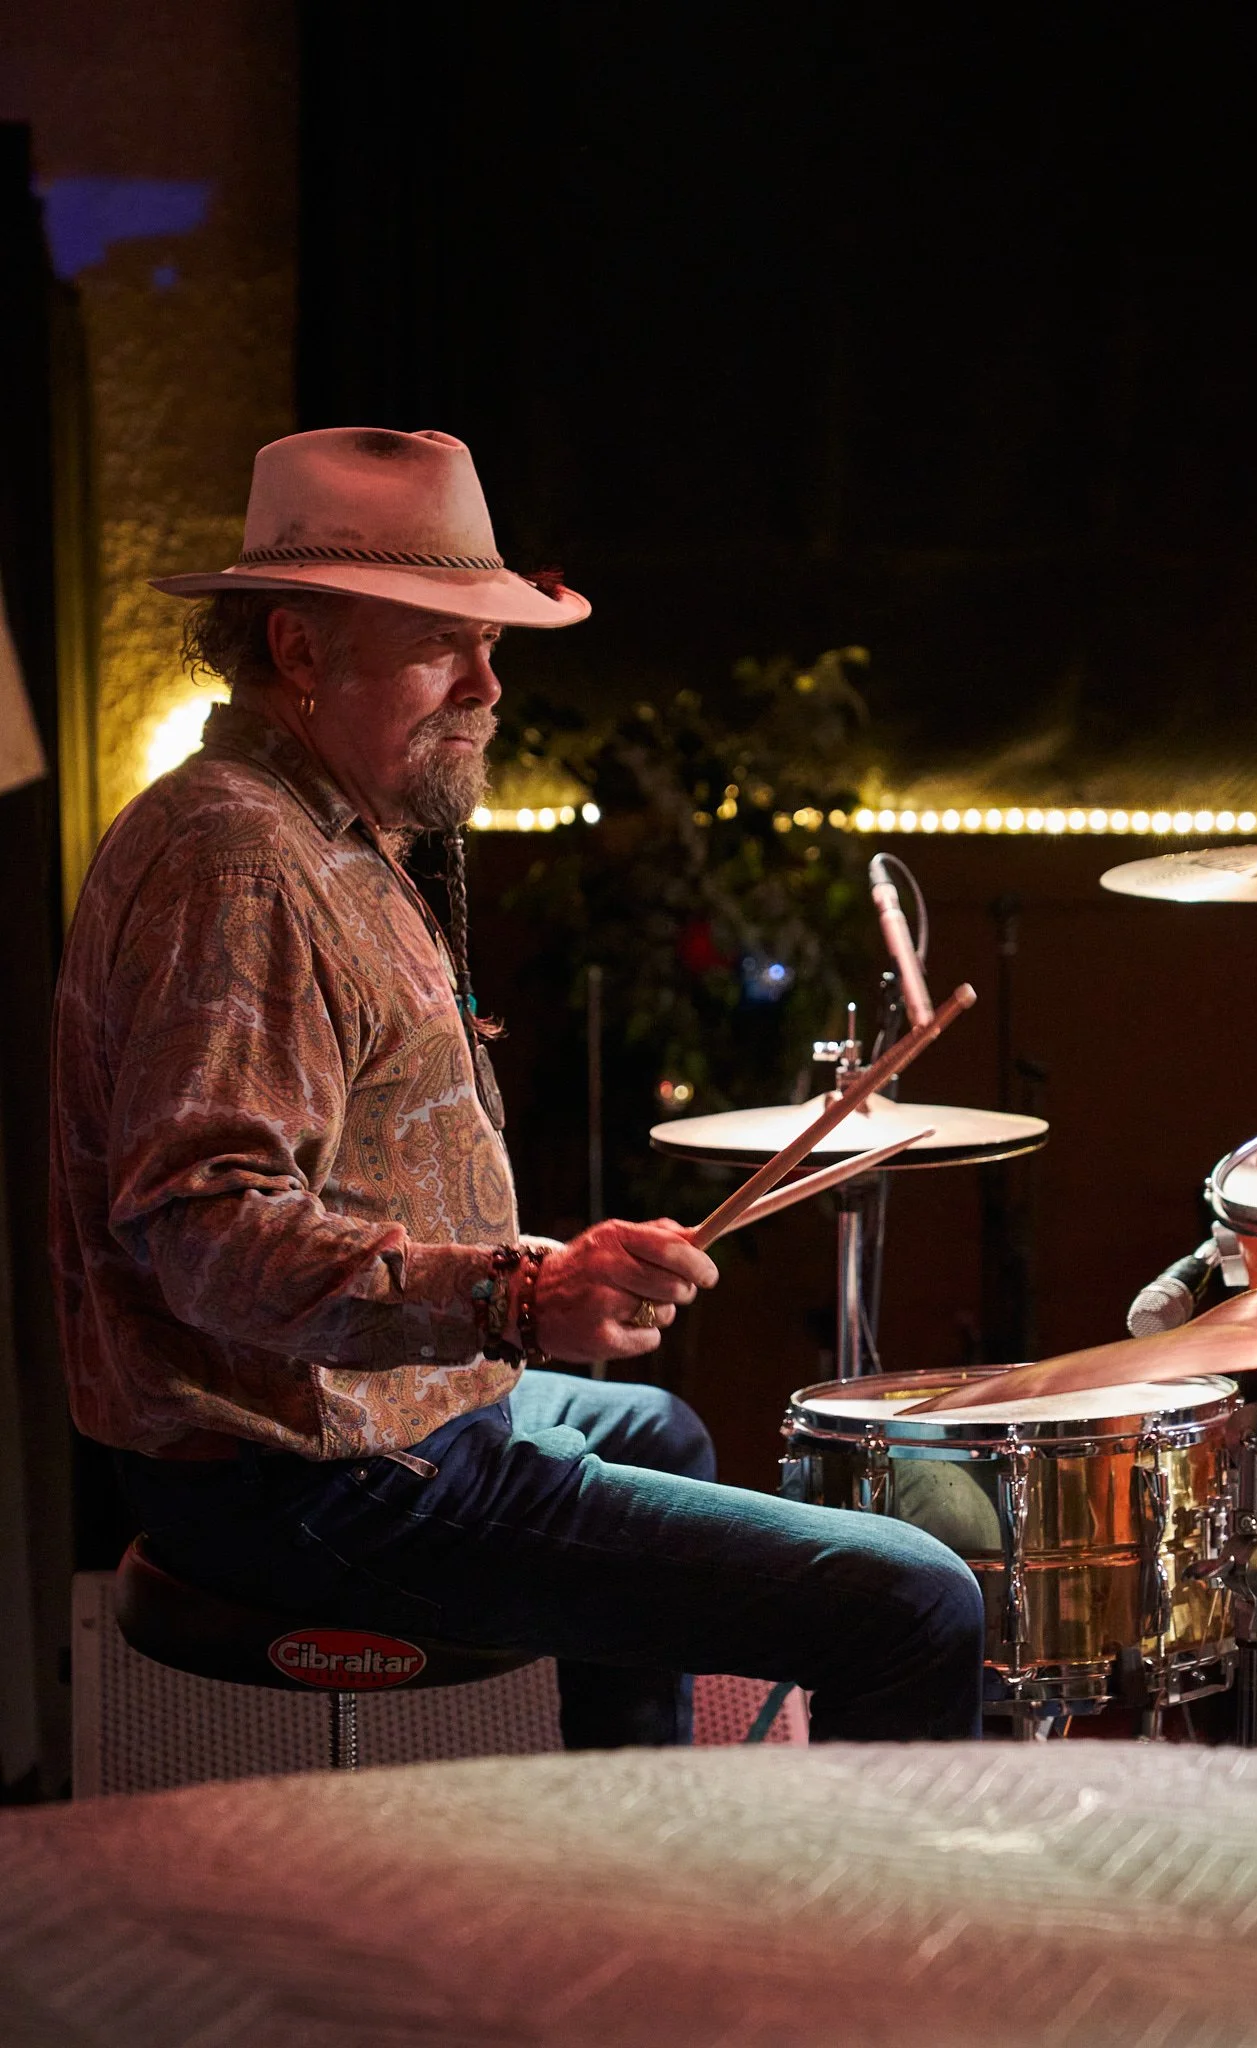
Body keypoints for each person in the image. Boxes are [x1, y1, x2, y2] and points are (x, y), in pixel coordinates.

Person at [50, 426, 983, 1747]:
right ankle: (871, 1957)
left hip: (342, 1416)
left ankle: (618, 1847)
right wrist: (513, 1294)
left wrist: (528, 1270)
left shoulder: (320, 826)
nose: (492, 684)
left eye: (496, 644)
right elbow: (207, 1232)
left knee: (656, 1427)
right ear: (301, 651)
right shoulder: (240, 866)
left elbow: (353, 1175)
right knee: (920, 1601)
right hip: (305, 1475)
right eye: (443, 641)